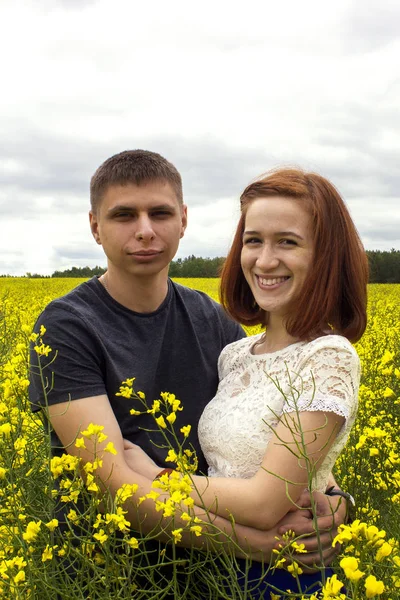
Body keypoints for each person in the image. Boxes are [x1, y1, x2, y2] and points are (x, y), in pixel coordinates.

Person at [29, 152, 347, 594]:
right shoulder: (67, 327)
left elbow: (263, 435)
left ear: (182, 220)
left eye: (159, 213)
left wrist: (331, 499)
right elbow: (109, 484)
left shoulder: (213, 322)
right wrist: (256, 545)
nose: (144, 230)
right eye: (124, 215)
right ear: (95, 226)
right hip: (110, 575)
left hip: (209, 578)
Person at [124, 167, 369, 596]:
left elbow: (264, 503)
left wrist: (156, 477)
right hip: (216, 568)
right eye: (253, 240)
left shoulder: (328, 357)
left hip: (288, 573)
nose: (264, 259)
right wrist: (336, 496)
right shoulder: (235, 355)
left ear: (325, 255)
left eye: (288, 242)